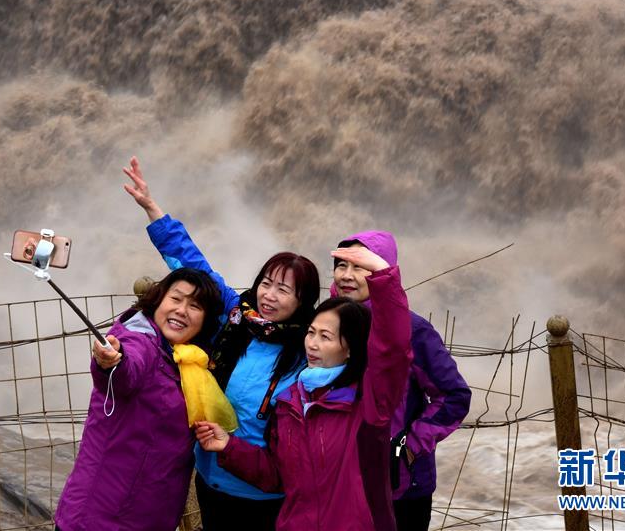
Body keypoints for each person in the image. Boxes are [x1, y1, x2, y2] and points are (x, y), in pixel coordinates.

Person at [122, 156, 320, 531]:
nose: (269, 296)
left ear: (302, 302)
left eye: (283, 290)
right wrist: (153, 209)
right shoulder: (236, 317)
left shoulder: (307, 351)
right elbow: (195, 266)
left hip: (263, 496)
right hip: (210, 478)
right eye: (266, 283)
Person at [195, 245, 413, 531]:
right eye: (311, 333)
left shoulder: (366, 404)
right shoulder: (291, 403)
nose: (312, 344)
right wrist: (229, 446)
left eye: (326, 337)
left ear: (350, 348)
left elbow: (392, 351)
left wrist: (384, 277)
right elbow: (277, 475)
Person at [54, 267, 233, 531]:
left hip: (153, 517)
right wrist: (113, 360)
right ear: (159, 300)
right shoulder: (140, 340)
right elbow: (127, 369)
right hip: (99, 518)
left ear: (206, 320)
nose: (182, 310)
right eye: (176, 298)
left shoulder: (191, 362)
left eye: (195, 306)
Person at [332, 231, 471, 531]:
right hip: (340, 476)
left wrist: (408, 446)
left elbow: (455, 396)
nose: (347, 275)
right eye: (342, 265)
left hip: (401, 484)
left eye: (359, 266)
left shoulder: (414, 330)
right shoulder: (328, 324)